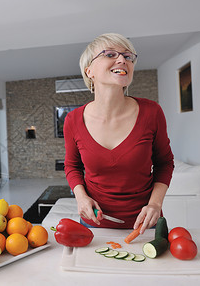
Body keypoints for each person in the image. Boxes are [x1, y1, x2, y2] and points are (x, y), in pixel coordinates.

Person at [63, 33, 174, 235]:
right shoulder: (72, 120)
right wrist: (81, 197)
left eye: (128, 56)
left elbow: (165, 162)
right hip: (93, 225)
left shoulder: (151, 112)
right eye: (110, 54)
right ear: (89, 71)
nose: (122, 60)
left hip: (145, 226)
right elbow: (72, 165)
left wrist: (155, 204)